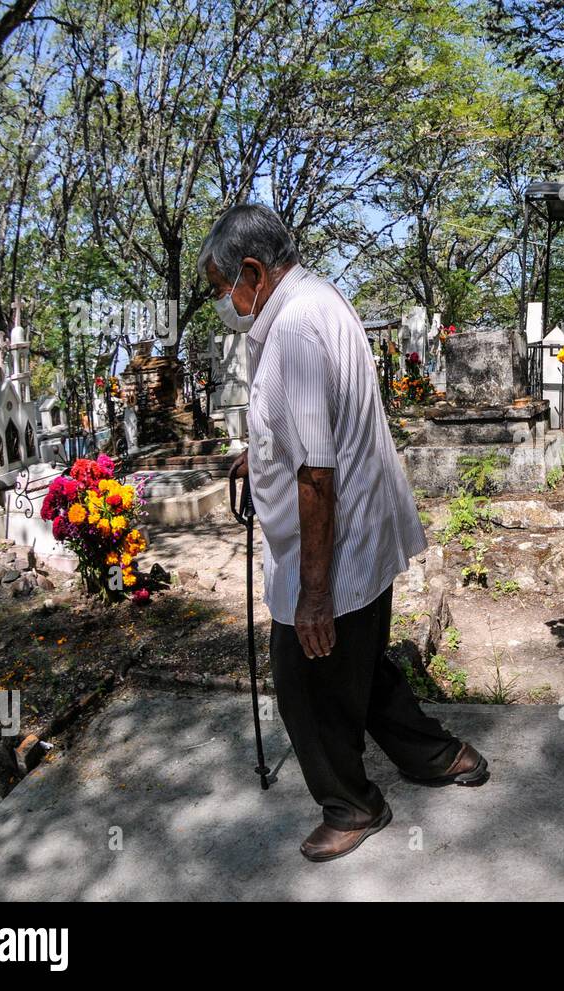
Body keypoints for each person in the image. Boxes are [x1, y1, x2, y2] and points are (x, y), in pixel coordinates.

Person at [200, 204, 488, 862]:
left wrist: (313, 592)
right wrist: (259, 453)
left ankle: (352, 802)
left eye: (222, 288)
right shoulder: (317, 297)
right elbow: (306, 427)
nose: (224, 302)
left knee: (303, 677)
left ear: (252, 271)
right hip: (362, 525)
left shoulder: (295, 329)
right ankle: (442, 756)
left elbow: (316, 472)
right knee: (355, 663)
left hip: (335, 537)